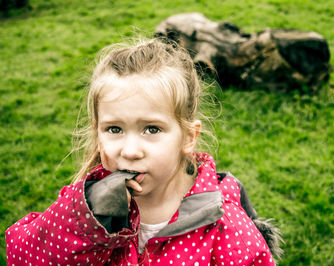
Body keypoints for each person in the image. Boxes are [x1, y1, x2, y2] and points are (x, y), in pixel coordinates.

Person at [6, 38, 281, 265]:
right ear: (97, 131)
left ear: (188, 137)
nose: (130, 151)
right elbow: (20, 256)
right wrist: (85, 221)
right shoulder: (86, 207)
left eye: (151, 129)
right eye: (114, 129)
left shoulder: (224, 228)